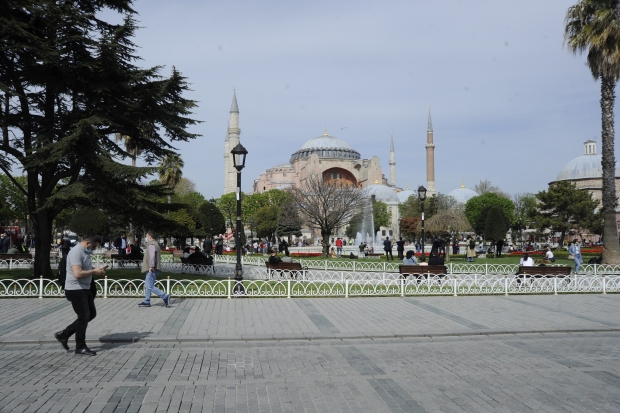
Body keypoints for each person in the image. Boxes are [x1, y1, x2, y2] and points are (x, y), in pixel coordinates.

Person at [54, 234, 107, 356]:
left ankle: (64, 335)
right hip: (76, 289)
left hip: (84, 288)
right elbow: (77, 274)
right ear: (88, 243)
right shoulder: (76, 252)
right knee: (84, 316)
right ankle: (80, 346)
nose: (93, 249)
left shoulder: (85, 252)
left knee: (91, 314)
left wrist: (97, 269)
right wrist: (94, 271)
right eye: (93, 247)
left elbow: (85, 268)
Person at [138, 230, 170, 308]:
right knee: (148, 284)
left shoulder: (152, 245)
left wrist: (151, 266)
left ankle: (165, 296)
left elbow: (152, 257)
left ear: (150, 237)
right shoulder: (155, 244)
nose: (146, 238)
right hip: (153, 267)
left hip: (152, 268)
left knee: (149, 285)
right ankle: (147, 301)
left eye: (146, 236)